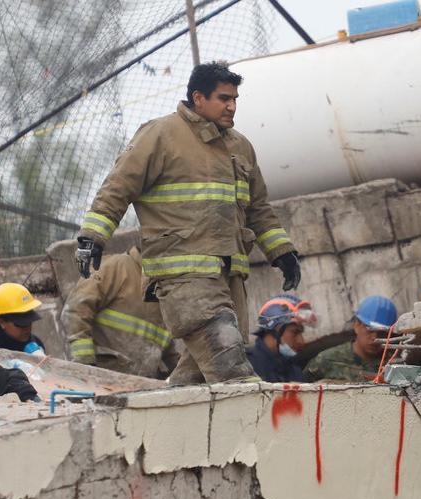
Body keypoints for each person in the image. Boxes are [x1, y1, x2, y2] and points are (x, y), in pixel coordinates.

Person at [74, 62, 301, 385]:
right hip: (183, 277)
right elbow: (118, 186)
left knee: (194, 379)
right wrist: (92, 237)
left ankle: (157, 426)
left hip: (228, 276)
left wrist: (282, 252)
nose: (232, 106)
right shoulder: (161, 135)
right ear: (198, 98)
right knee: (232, 372)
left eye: (235, 98)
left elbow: (259, 209)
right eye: (223, 98)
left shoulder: (240, 147)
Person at [62, 246, 175, 378]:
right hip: (102, 379)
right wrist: (85, 363)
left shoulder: (163, 292)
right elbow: (76, 310)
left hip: (140, 386)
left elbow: (168, 349)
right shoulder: (118, 267)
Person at [304, 296, 398, 382]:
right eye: (370, 330)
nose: (375, 338)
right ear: (357, 325)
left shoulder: (396, 365)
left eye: (382, 333)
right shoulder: (326, 361)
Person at [246, 294, 315, 383]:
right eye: (295, 332)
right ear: (276, 330)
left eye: (300, 333)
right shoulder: (247, 367)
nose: (301, 341)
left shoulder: (293, 371)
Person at [0, 283, 47, 355]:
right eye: (22, 324)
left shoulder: (36, 344)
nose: (28, 328)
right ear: (2, 322)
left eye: (30, 321)